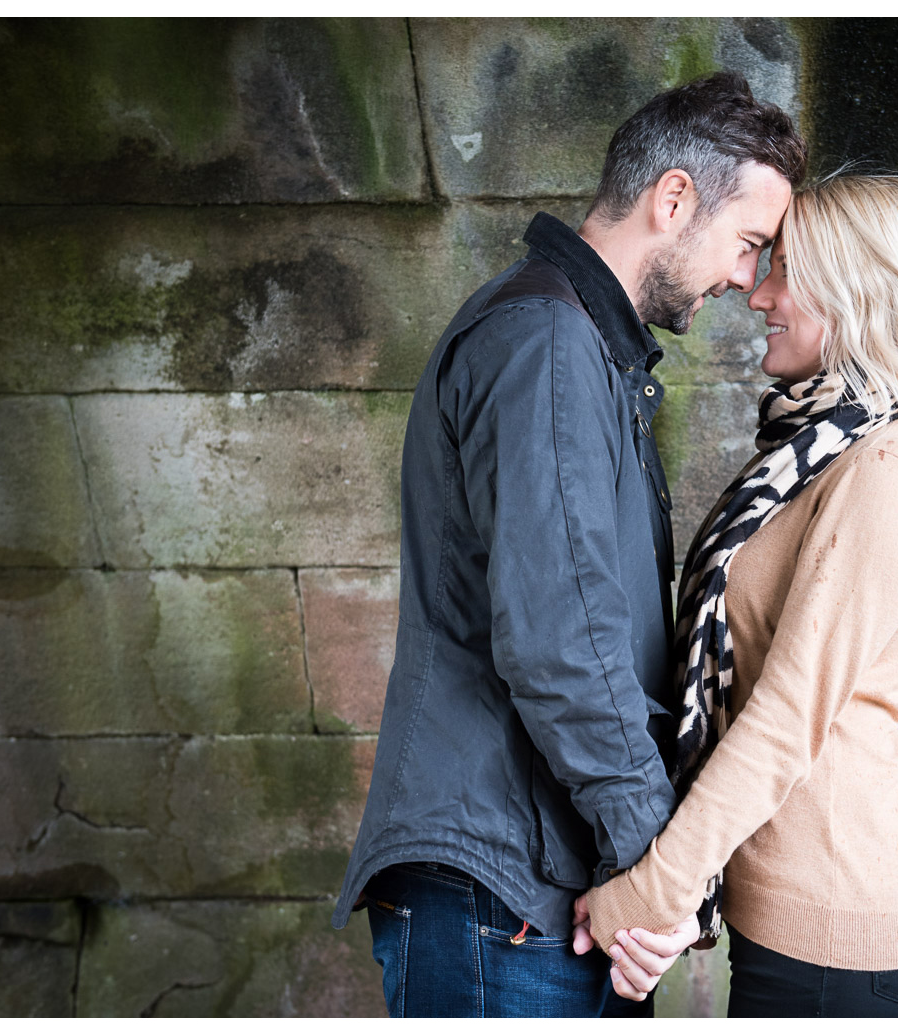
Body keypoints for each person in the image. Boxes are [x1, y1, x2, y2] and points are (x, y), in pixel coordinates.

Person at [330, 71, 806, 1017]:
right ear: (674, 199)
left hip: (533, 883)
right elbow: (564, 641)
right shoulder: (546, 342)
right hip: (500, 897)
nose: (746, 281)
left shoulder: (579, 343)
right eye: (748, 244)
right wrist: (657, 870)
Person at [576, 173, 898, 1017]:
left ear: (859, 290)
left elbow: (784, 719)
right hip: (795, 918)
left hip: (843, 935)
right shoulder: (821, 452)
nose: (758, 295)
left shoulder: (889, 470)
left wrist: (651, 894)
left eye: (786, 271)